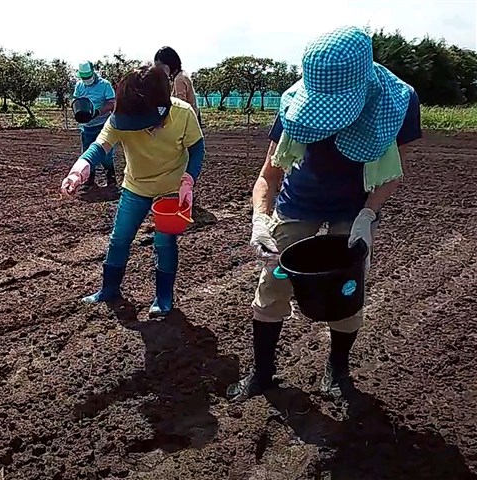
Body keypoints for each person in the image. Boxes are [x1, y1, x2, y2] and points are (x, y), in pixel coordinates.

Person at [227, 25, 422, 402]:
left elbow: (394, 171)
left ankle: (337, 368)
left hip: (355, 205)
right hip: (301, 200)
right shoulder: (293, 102)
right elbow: (269, 173)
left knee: (345, 289)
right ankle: (262, 373)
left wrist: (368, 216)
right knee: (273, 281)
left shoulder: (398, 100)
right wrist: (259, 220)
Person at [60, 65, 205, 317]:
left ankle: (163, 297)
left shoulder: (182, 113)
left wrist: (188, 180)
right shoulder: (123, 115)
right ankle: (109, 289)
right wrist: (77, 170)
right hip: (136, 186)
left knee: (164, 241)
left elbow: (197, 148)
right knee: (120, 238)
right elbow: (99, 146)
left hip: (171, 189)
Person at [154, 47, 214, 228]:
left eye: (160, 66)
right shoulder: (183, 76)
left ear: (169, 65)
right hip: (191, 123)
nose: (157, 71)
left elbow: (179, 105)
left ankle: (182, 200)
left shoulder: (179, 80)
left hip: (186, 126)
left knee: (182, 161)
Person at [73, 61, 116, 190]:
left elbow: (112, 102)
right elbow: (76, 101)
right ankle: (89, 179)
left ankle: (111, 179)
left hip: (102, 125)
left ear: (93, 72)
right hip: (87, 127)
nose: (86, 80)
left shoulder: (105, 85)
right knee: (86, 153)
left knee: (106, 154)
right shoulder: (79, 86)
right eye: (84, 77)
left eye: (88, 77)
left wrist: (97, 112)